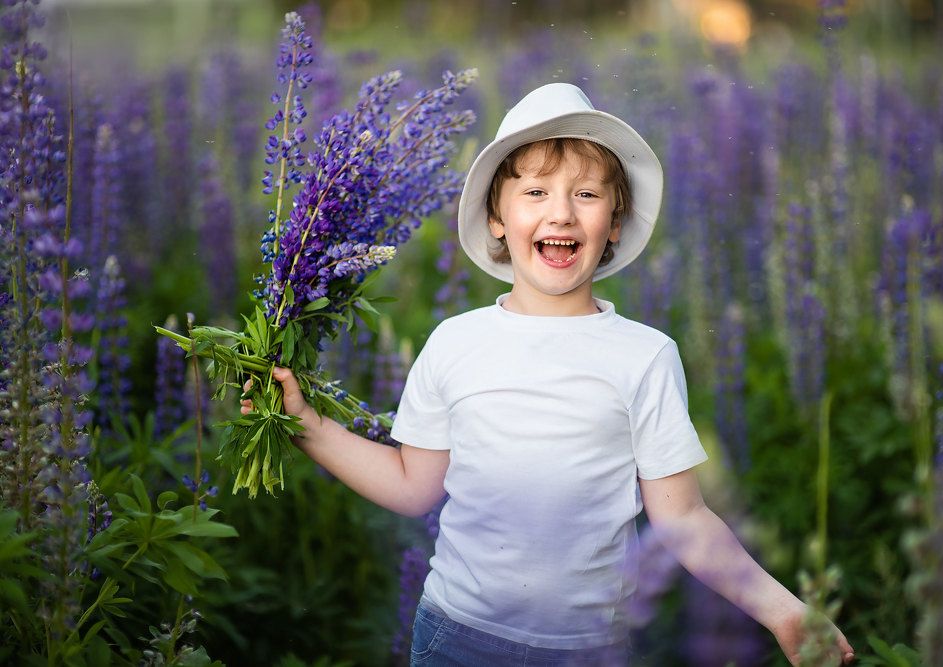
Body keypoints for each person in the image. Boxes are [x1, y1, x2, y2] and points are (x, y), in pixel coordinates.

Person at [242, 83, 855, 666]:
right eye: (535, 193)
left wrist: (784, 612)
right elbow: (412, 486)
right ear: (498, 220)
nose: (560, 213)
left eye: (586, 196)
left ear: (614, 224)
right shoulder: (455, 343)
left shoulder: (644, 355)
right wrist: (307, 425)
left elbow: (684, 518)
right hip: (457, 638)